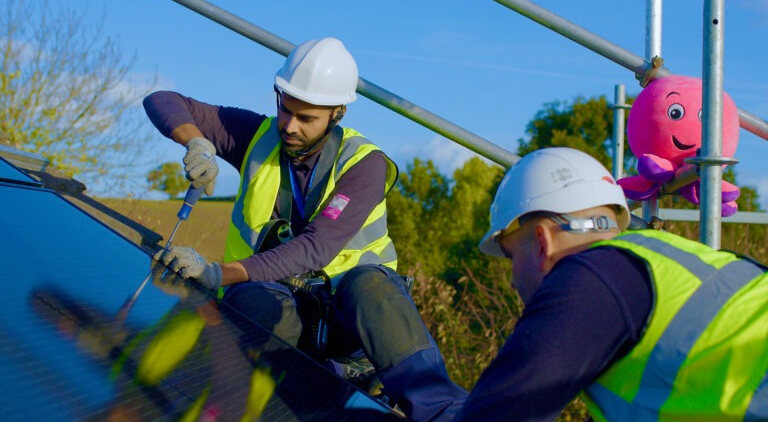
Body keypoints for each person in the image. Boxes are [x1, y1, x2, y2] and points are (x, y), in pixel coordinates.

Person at [143, 37, 467, 421]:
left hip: (353, 323)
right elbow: (163, 100)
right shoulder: (256, 136)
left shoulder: (364, 165)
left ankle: (445, 412)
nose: (289, 126)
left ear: (337, 113)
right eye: (285, 109)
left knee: (372, 285)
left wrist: (218, 273)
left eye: (307, 118)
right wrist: (196, 142)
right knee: (246, 302)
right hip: (287, 311)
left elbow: (316, 248)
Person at [453, 147, 768, 421]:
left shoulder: (588, 281)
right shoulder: (661, 262)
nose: (511, 279)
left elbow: (498, 413)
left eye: (510, 257)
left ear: (541, 242)